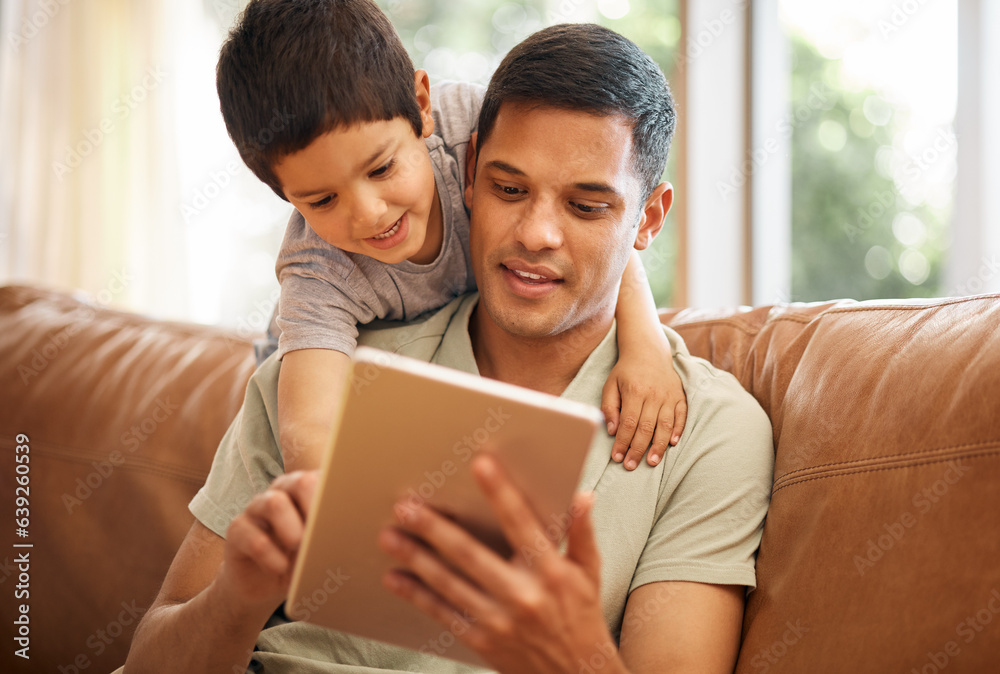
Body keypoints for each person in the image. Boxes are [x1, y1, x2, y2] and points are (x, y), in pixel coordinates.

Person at [124, 22, 774, 674]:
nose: (536, 233)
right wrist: (238, 598)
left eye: (585, 207)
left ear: (649, 220)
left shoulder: (710, 433)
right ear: (466, 174)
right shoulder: (321, 371)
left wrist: (572, 655)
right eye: (509, 189)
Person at [214, 0, 688, 477]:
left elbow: (594, 217)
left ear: (422, 107)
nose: (369, 214)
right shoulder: (319, 268)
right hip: (300, 371)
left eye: (381, 168)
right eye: (321, 200)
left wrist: (647, 348)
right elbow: (310, 434)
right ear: (283, 193)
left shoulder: (469, 128)